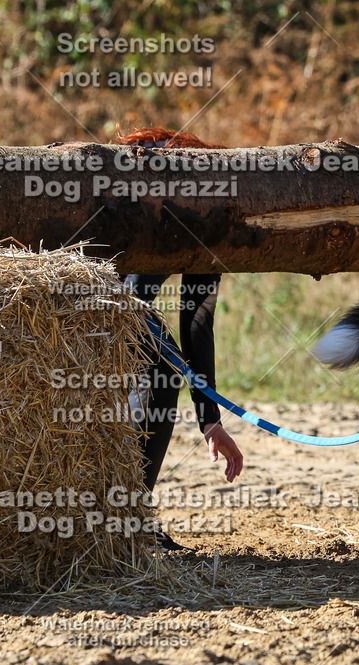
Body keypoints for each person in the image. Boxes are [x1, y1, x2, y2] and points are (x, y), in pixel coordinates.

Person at [118, 127, 244, 550]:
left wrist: (210, 419)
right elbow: (130, 297)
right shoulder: (161, 202)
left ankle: (133, 512)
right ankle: (125, 515)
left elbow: (198, 321)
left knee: (164, 367)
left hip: (128, 306)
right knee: (160, 365)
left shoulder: (212, 219)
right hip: (89, 306)